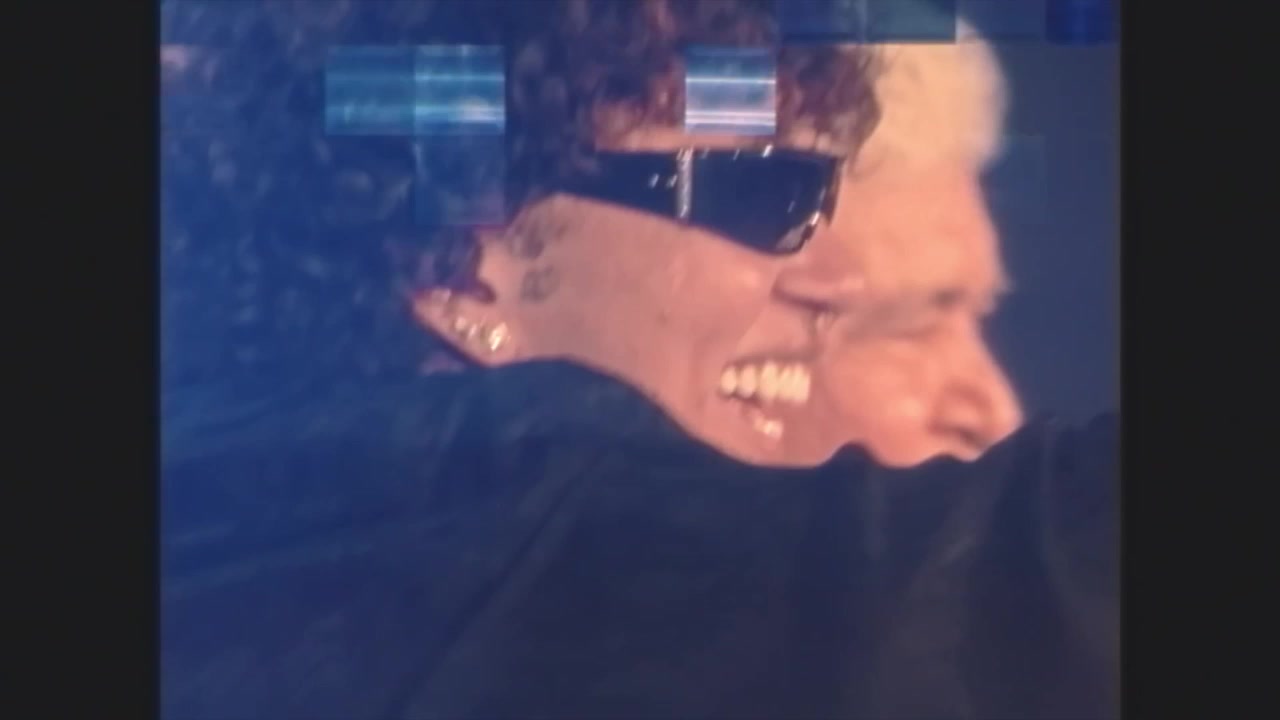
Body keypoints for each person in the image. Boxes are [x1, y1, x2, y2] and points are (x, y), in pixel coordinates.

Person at [160, 1, 1118, 718]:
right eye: (767, 195)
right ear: (463, 252)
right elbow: (1035, 567)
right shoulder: (502, 547)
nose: (831, 279)